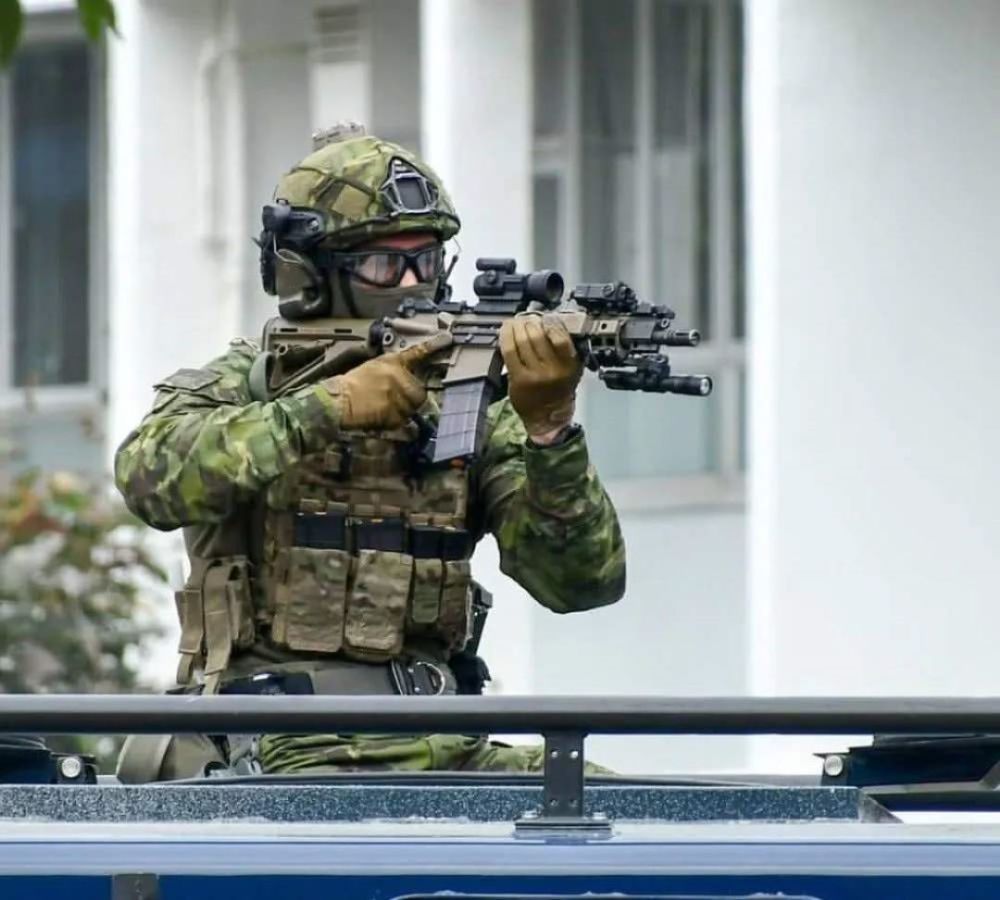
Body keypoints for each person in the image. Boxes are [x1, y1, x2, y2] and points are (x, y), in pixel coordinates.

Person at [113, 124, 625, 779]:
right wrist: (328, 409)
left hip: (446, 739)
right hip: (282, 749)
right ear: (313, 274)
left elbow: (581, 584)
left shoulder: (468, 401)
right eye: (386, 263)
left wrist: (552, 431)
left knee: (620, 811)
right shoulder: (244, 384)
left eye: (427, 259)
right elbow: (147, 477)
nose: (413, 280)